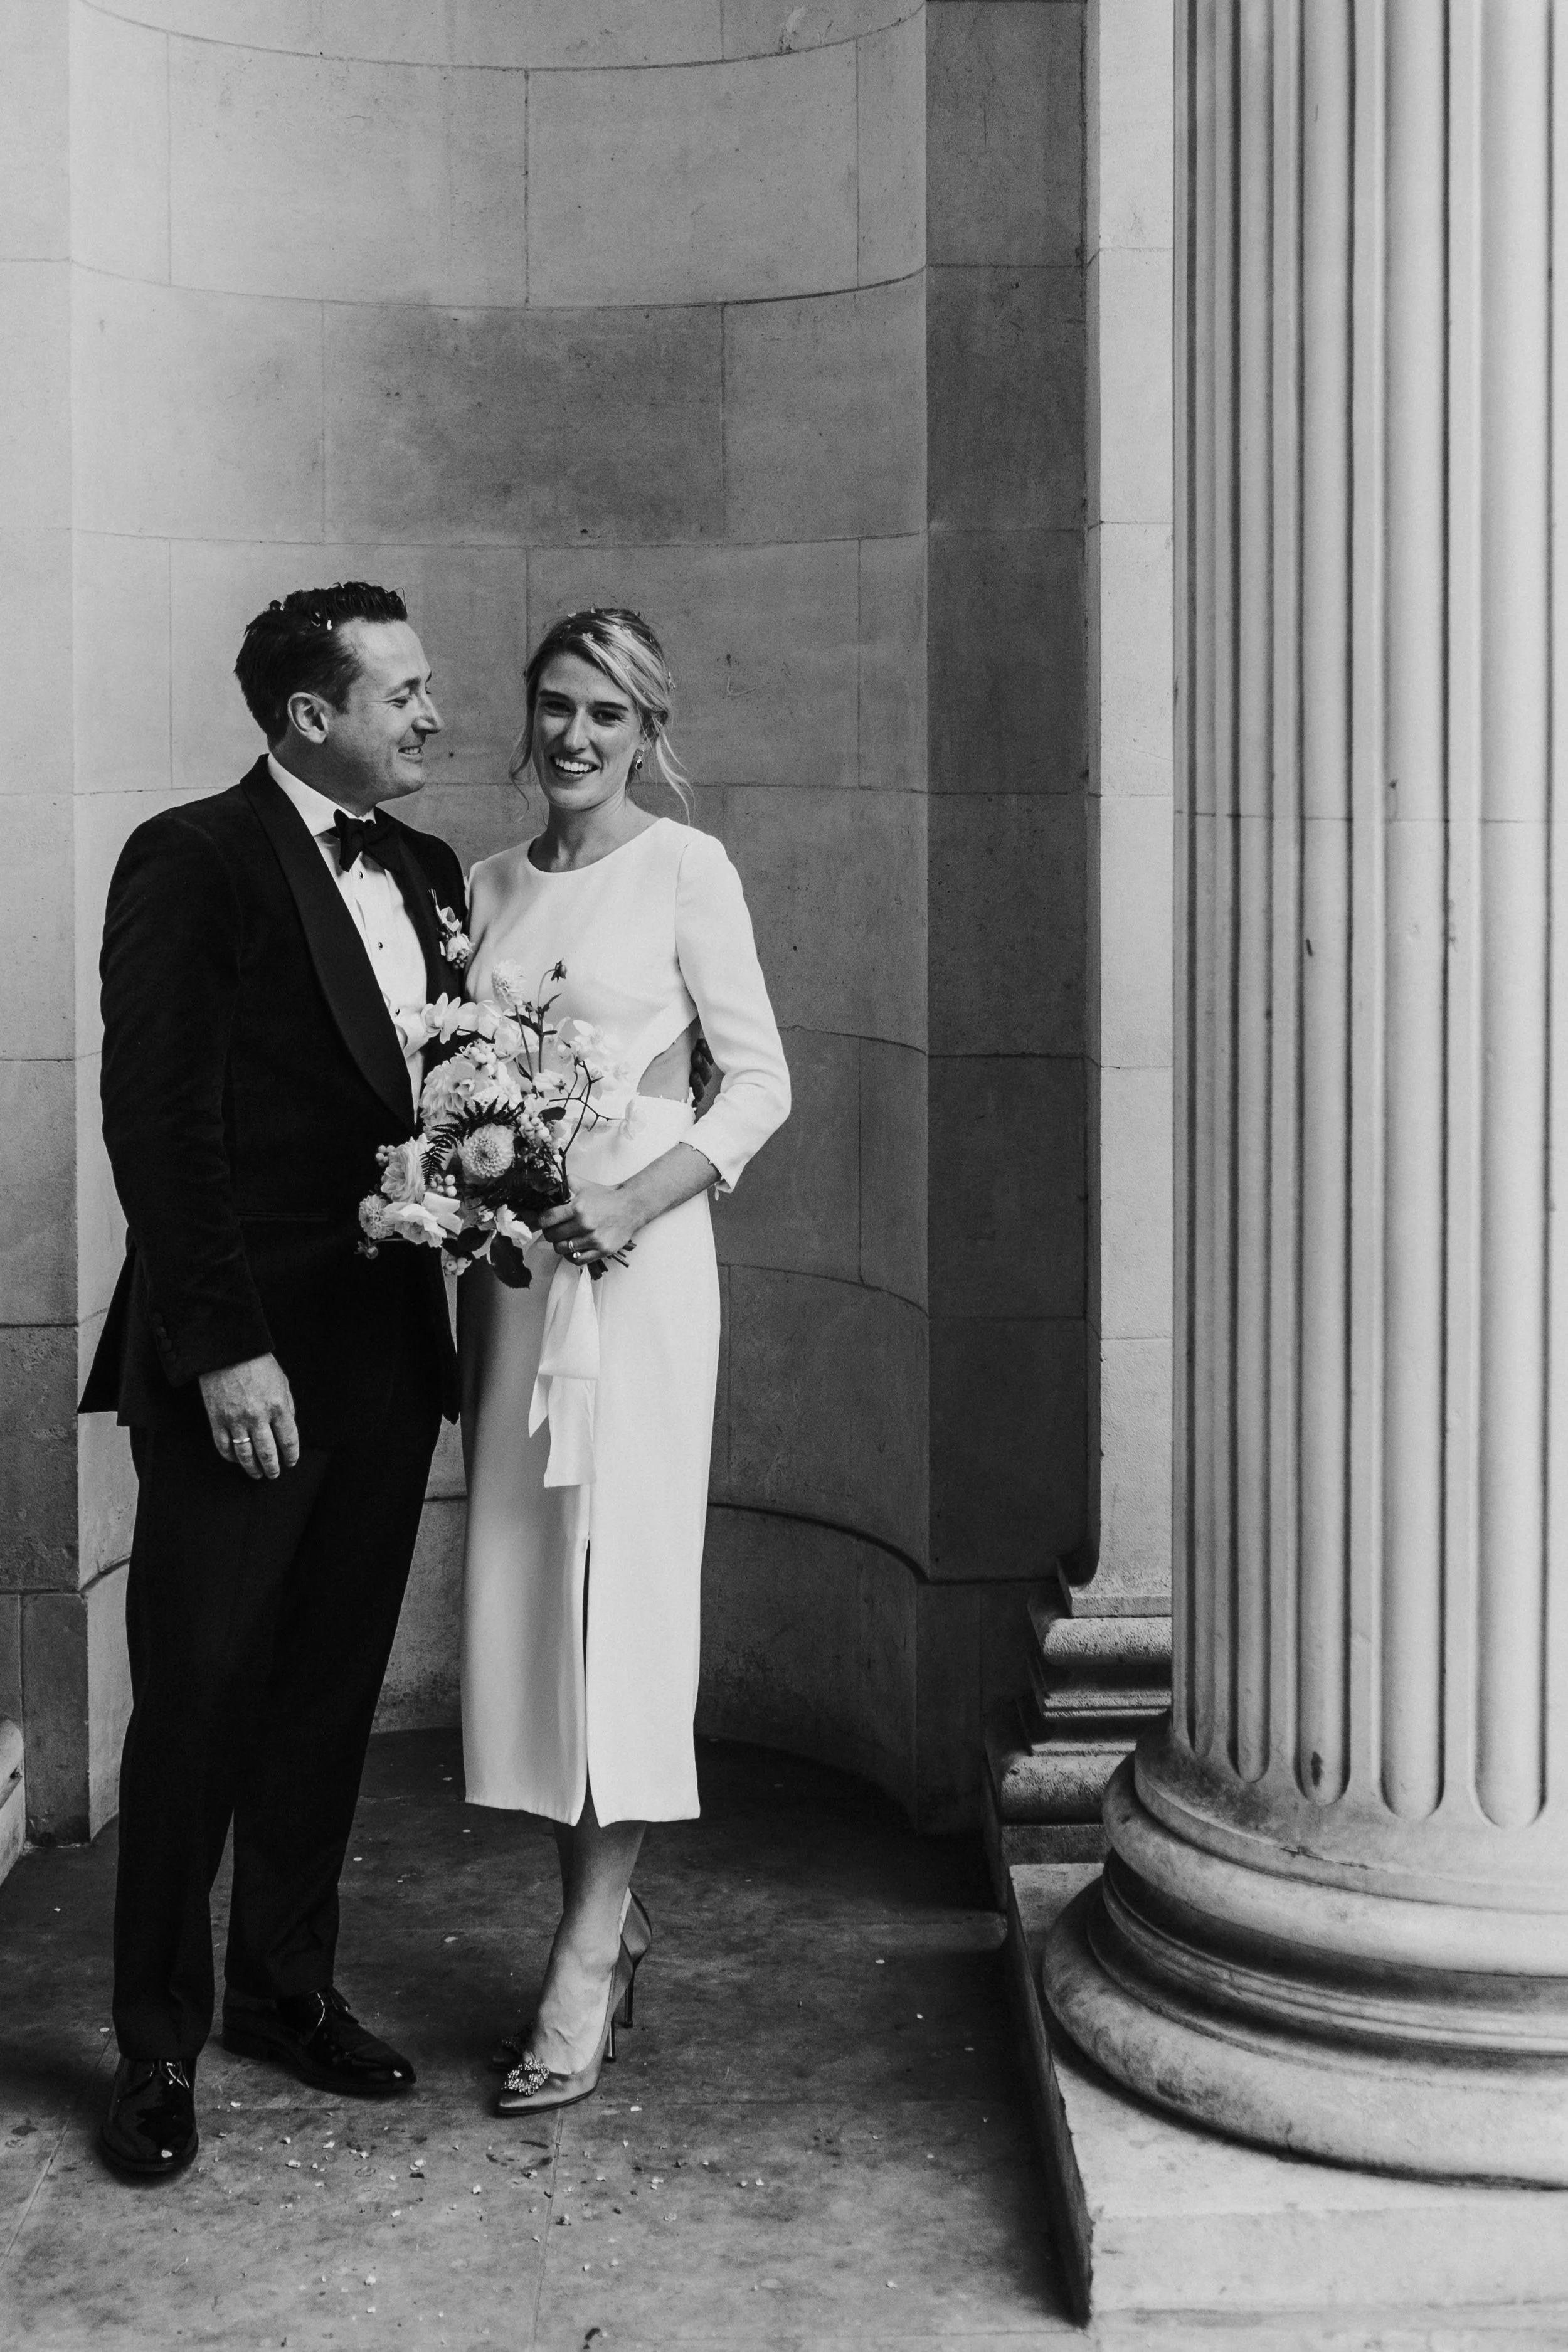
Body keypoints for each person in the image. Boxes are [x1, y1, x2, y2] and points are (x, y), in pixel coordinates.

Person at [81, 583, 466, 2180]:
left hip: (387, 1356)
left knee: (322, 1698)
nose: (432, 717)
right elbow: (158, 1126)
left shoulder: (432, 872)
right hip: (241, 1355)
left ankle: (283, 1991)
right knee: (197, 1703)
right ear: (313, 717)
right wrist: (223, 1346)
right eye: (404, 693)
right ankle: (155, 2046)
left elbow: (448, 1094)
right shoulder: (193, 855)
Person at [458, 608, 790, 2116]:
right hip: (522, 1286)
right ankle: (601, 1912)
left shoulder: (684, 867)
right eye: (552, 708)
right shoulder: (485, 885)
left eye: (604, 713)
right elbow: (463, 1084)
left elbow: (761, 1082)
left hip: (642, 1276)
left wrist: (631, 1201)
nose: (573, 737)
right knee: (540, 1599)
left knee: (625, 1588)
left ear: (648, 730)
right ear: (523, 721)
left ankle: (585, 1951)